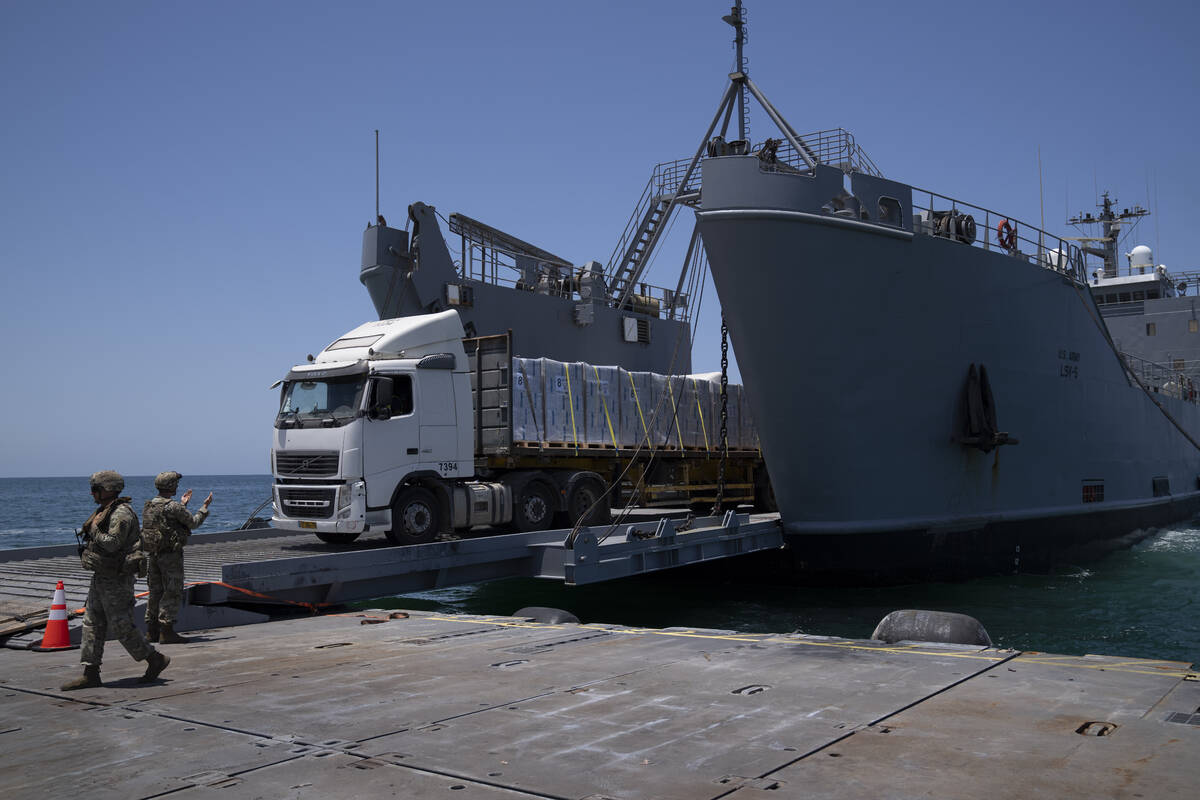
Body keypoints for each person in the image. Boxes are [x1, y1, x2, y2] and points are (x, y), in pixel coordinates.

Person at [62, 471, 169, 691]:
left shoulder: (122, 514)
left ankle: (154, 658)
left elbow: (112, 543)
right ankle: (90, 672)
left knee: (122, 626)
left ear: (108, 489)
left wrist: (94, 530)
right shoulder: (105, 511)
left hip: (117, 578)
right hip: (102, 576)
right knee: (92, 623)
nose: (93, 493)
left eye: (96, 489)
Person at [142, 471, 212, 643]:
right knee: (172, 591)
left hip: (154, 554)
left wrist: (183, 504)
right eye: (175, 484)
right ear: (171, 486)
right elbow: (193, 523)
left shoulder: (150, 505)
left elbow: (166, 523)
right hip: (171, 556)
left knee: (155, 592)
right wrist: (204, 507)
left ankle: (152, 631)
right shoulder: (173, 507)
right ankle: (167, 631)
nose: (177, 486)